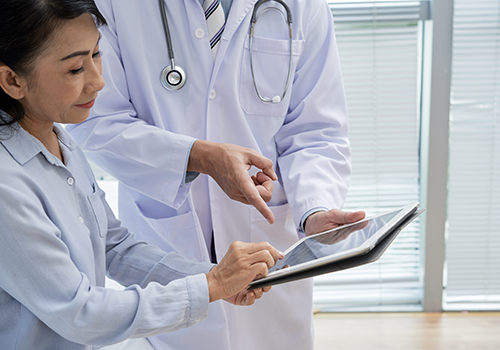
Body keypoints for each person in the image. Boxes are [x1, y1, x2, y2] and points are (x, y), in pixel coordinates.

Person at [68, 0, 366, 349]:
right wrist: (199, 157)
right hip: (166, 238)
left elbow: (316, 132)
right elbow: (94, 120)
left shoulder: (303, 6)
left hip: (269, 243)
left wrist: (315, 208)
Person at [0, 1, 283, 349]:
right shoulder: (6, 183)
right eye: (75, 69)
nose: (98, 81)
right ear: (12, 80)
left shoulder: (62, 144)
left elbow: (115, 246)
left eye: (97, 55)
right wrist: (210, 286)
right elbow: (80, 313)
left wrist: (214, 279)